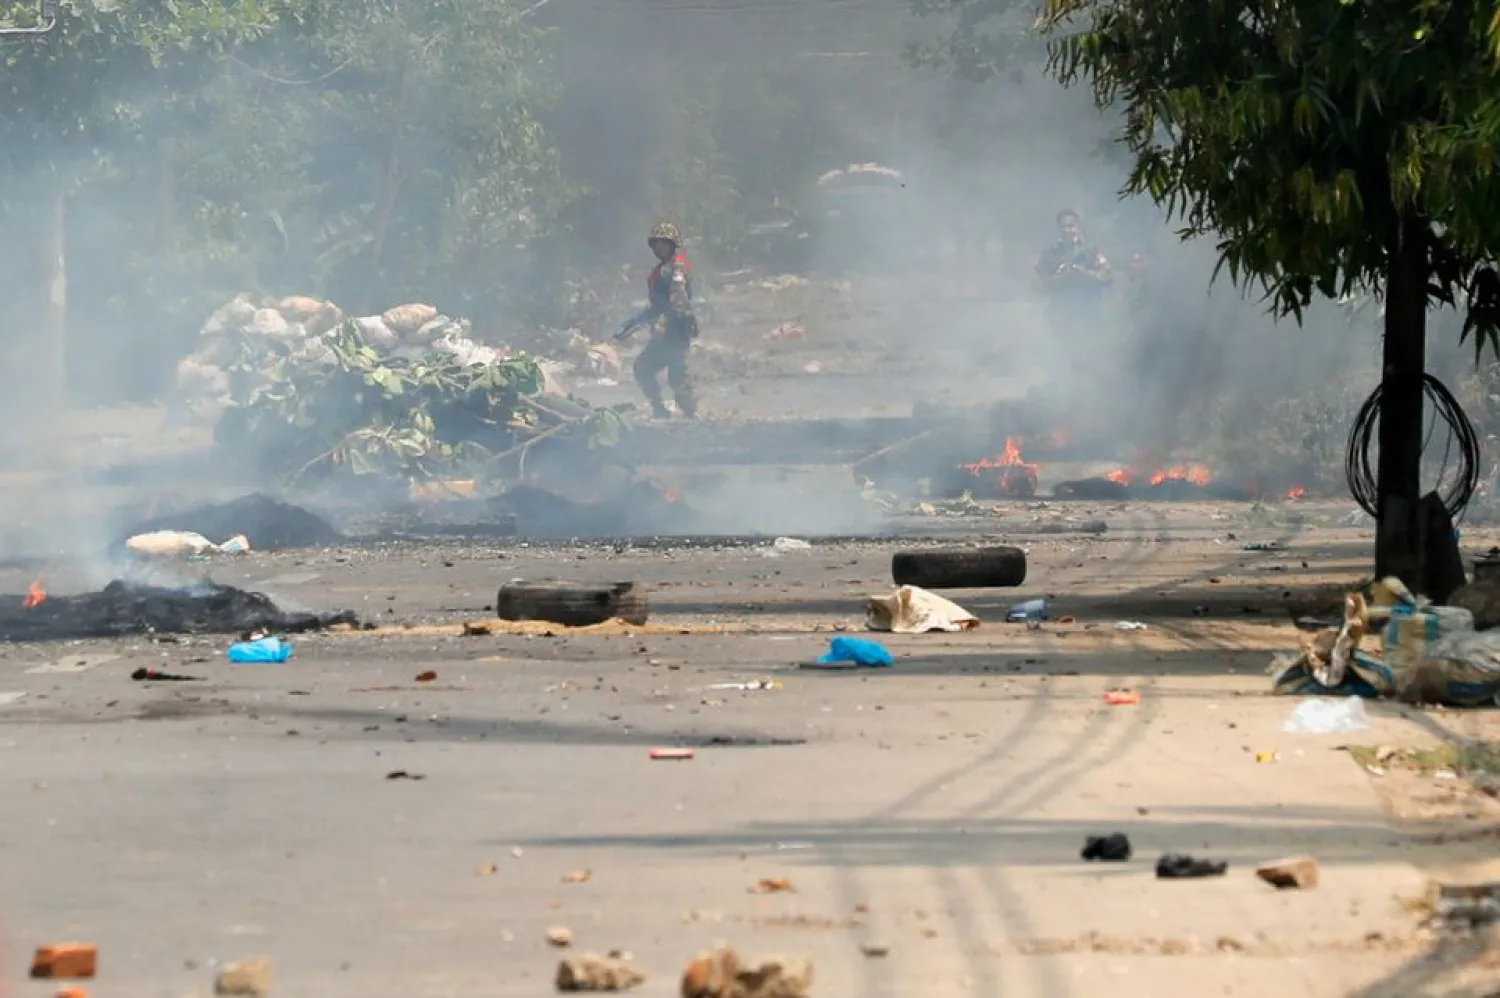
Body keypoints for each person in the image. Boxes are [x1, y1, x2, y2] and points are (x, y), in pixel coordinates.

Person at [615, 221, 699, 419]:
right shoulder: (660, 271)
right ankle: (660, 410)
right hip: (664, 332)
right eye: (657, 245)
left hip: (675, 331)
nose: (659, 249)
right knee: (643, 368)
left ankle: (690, 414)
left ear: (672, 245)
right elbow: (655, 306)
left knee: (677, 377)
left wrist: (673, 320)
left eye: (664, 244)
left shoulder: (677, 268)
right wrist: (631, 324)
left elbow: (678, 297)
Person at [1033, 208, 1113, 337]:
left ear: (1077, 226)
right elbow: (1038, 285)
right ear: (1058, 229)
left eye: (1070, 226)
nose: (1067, 230)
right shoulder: (1050, 254)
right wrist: (1059, 277)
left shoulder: (1091, 251)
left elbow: (1107, 277)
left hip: (1089, 313)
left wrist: (1083, 273)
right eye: (1063, 226)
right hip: (1061, 316)